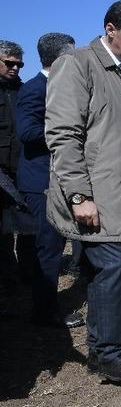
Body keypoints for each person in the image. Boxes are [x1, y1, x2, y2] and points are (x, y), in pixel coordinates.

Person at [46, 0, 121, 382]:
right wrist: (79, 196)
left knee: (108, 266)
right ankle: (109, 355)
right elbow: (63, 135)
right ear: (110, 28)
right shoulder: (78, 64)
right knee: (114, 264)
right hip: (96, 191)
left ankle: (105, 343)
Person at [15, 32, 83, 328]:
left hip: (60, 178)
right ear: (59, 59)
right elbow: (26, 133)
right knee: (49, 248)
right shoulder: (34, 89)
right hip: (41, 181)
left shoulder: (66, 87)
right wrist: (64, 132)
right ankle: (45, 313)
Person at [0, 39, 36, 291]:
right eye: (9, 63)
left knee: (28, 227)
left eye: (19, 64)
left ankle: (27, 276)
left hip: (22, 169)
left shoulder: (24, 91)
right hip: (0, 174)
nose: (15, 68)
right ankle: (7, 280)